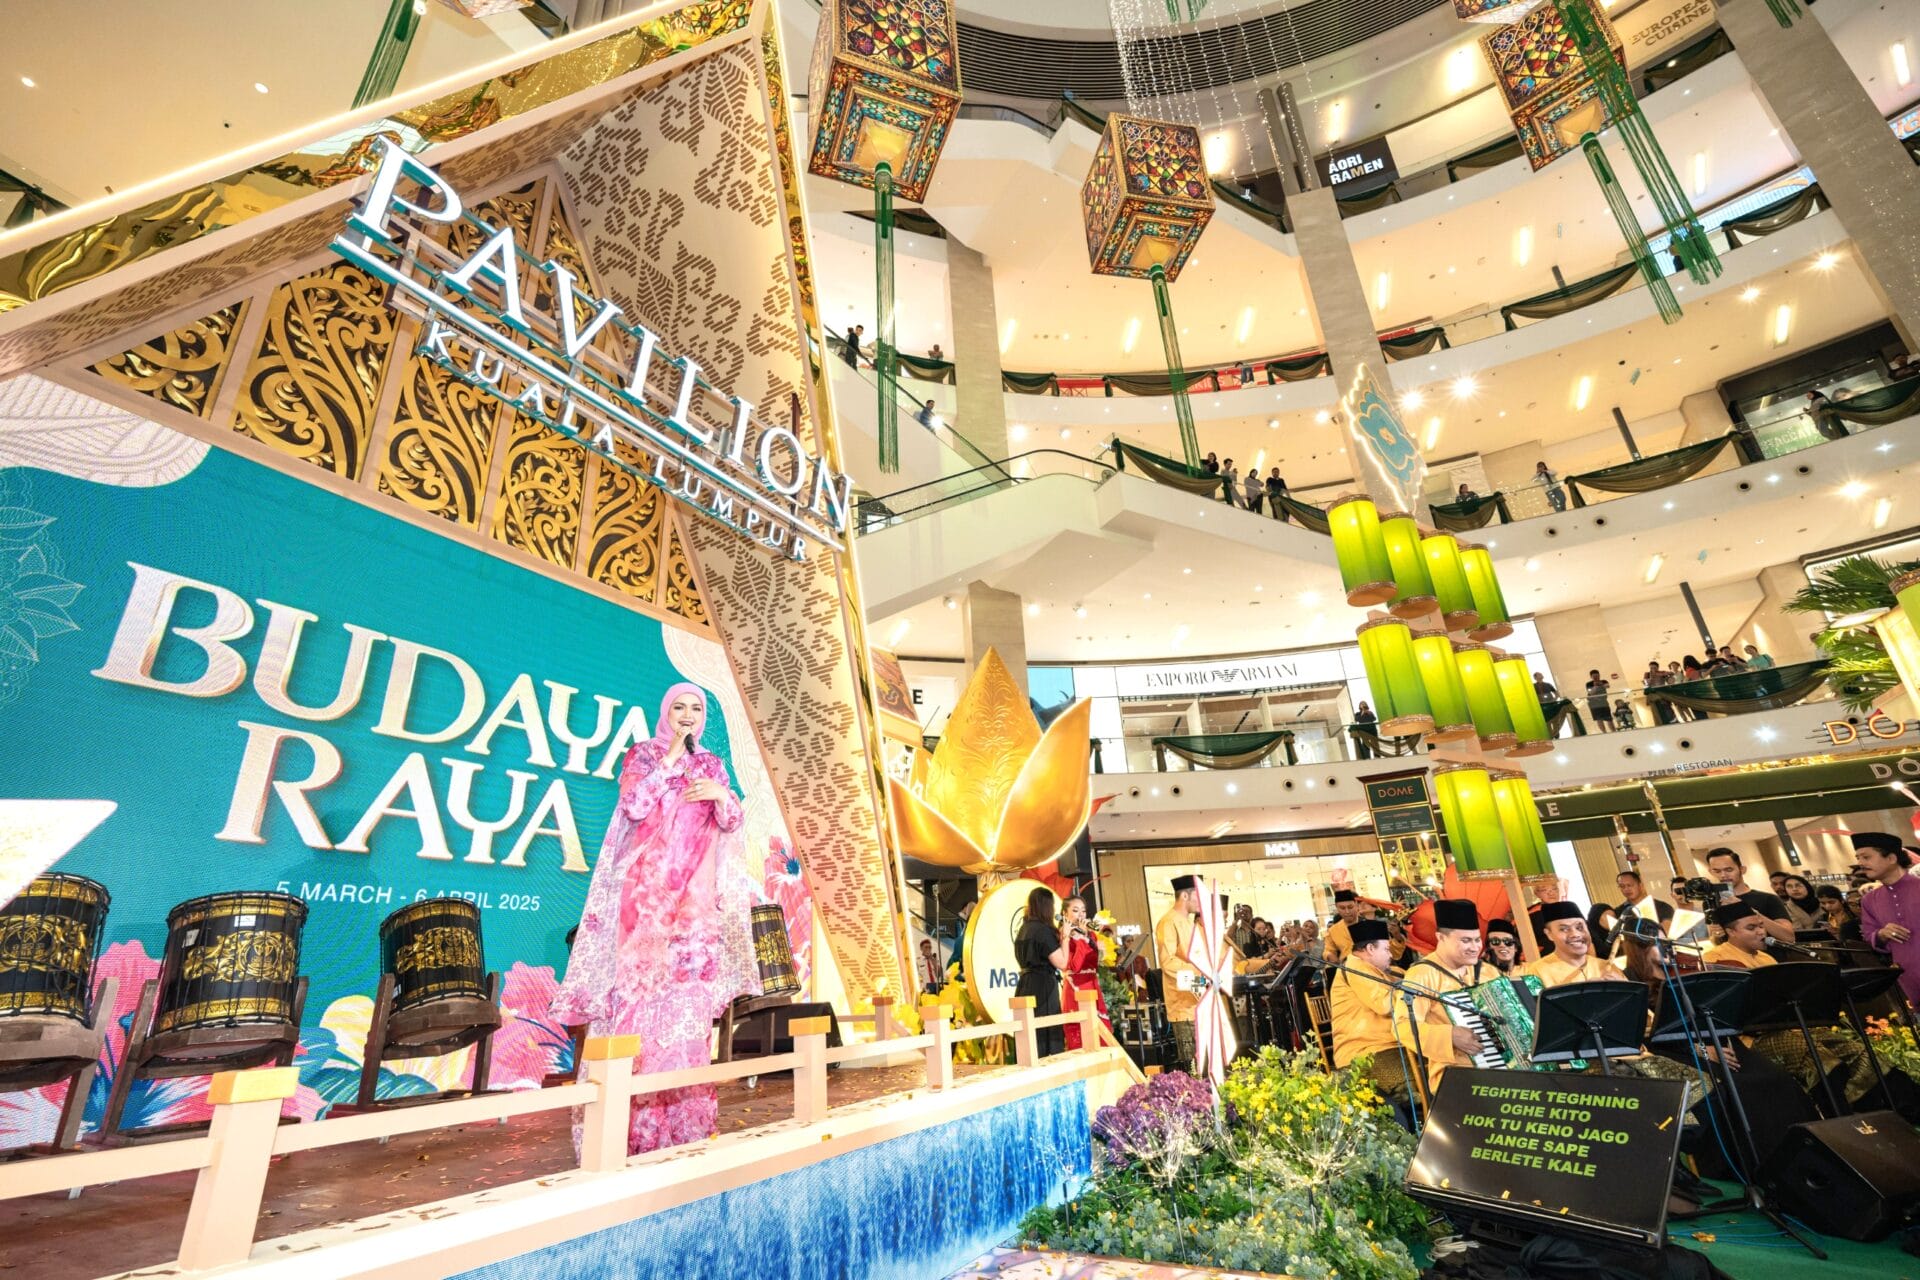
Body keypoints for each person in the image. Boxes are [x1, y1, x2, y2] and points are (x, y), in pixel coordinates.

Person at [552, 683, 757, 1155]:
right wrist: (669, 761)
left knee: (687, 1018)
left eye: (696, 709)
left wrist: (723, 796)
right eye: (679, 707)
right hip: (645, 904)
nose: (688, 715)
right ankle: (629, 1134)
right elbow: (634, 806)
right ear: (665, 713)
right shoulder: (643, 755)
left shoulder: (712, 765)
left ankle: (683, 1133)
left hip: (694, 911)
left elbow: (731, 822)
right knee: (638, 1015)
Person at [1704, 901, 1881, 1106]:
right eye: (1751, 928)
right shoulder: (1714, 959)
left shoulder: (1766, 958)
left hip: (1790, 1028)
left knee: (1857, 1051)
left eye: (1761, 925)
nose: (1761, 932)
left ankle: (1867, 1109)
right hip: (1752, 1038)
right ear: (1730, 932)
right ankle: (1836, 1114)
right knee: (1821, 1061)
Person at [1328, 918, 1433, 1107]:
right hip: (1365, 1050)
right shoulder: (1355, 967)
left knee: (1441, 1063)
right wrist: (1411, 986)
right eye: (1386, 949)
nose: (1390, 955)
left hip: (1393, 1043)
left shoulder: (1380, 970)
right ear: (1370, 949)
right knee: (1416, 1086)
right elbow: (1384, 1005)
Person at [1396, 899, 1493, 1093]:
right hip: (1454, 1074)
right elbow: (1402, 1026)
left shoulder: (1487, 971)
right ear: (1441, 938)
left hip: (1500, 1068)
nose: (1475, 947)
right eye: (1465, 940)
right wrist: (1449, 1036)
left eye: (1477, 940)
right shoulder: (1422, 974)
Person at [1855, 831, 1920, 1008]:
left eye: (1866, 857)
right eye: (1858, 858)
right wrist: (1882, 934)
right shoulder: (1869, 900)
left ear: (1891, 858)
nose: (1860, 863)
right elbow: (1869, 935)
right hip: (1910, 985)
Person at [1155, 875, 1204, 1068]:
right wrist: (1199, 971)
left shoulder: (1190, 923)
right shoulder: (1168, 922)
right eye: (1197, 896)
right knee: (1193, 1065)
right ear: (1185, 896)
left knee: (1205, 1061)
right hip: (1183, 1005)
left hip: (1198, 999)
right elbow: (1168, 963)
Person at [1014, 886, 1069, 1058]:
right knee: (1046, 1034)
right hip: (1043, 986)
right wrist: (1065, 937)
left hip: (1025, 984)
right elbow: (1062, 962)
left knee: (1028, 1033)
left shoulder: (1023, 929)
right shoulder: (1043, 931)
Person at [1519, 902, 1627, 987]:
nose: (1575, 934)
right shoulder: (1535, 973)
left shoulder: (1606, 967)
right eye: (1564, 929)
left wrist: (1623, 988)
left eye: (1579, 927)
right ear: (1549, 934)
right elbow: (1533, 1008)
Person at [1703, 847, 1796, 943]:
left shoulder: (1768, 899)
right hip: (1732, 952)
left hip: (1769, 952)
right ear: (1711, 872)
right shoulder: (1711, 902)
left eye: (1729, 870)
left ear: (1742, 869)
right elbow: (1715, 941)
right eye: (1717, 871)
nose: (1723, 875)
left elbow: (1789, 937)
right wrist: (1717, 935)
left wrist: (1748, 910)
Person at [1059, 895, 1110, 1051]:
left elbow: (1094, 963)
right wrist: (1082, 938)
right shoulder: (1064, 935)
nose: (1081, 914)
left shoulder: (1090, 934)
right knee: (1080, 1038)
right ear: (1064, 913)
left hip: (1092, 985)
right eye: (1075, 910)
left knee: (1102, 1035)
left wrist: (1093, 942)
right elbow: (1074, 966)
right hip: (1076, 988)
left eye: (1083, 910)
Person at [1613, 869, 1675, 935]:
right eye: (1622, 886)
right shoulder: (1619, 911)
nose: (1626, 889)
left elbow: (1666, 931)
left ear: (1640, 885)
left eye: (1630, 885)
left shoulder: (1662, 907)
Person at [1323, 889, 1365, 964]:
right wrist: (1329, 955)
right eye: (1342, 908)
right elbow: (1328, 950)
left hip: (1368, 965)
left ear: (1356, 905)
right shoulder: (1332, 930)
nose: (1347, 911)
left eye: (1350, 907)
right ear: (1337, 908)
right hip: (1346, 966)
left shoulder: (1368, 924)